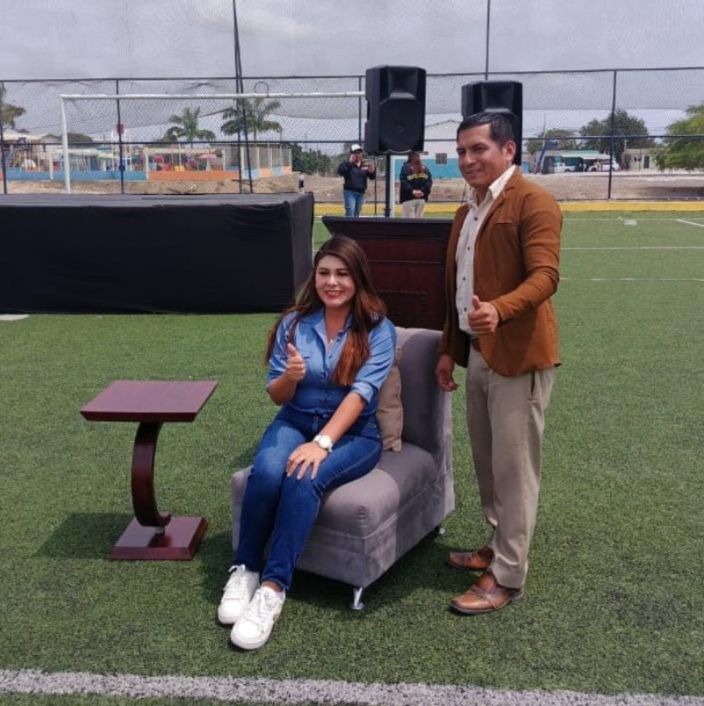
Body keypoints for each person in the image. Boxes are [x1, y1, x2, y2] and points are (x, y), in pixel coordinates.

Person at [218, 236, 396, 650]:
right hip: (295, 419)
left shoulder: (377, 328)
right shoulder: (295, 323)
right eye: (324, 273)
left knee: (302, 476)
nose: (332, 282)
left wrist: (323, 443)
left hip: (354, 434)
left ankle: (273, 589)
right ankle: (245, 569)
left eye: (342, 274)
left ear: (358, 278)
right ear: (314, 277)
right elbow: (276, 395)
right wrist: (291, 377)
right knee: (266, 471)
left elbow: (361, 395)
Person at [435, 111, 561, 615]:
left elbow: (546, 275)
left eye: (478, 149)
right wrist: (450, 349)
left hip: (518, 356)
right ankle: (498, 543)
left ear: (509, 150)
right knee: (489, 464)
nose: (467, 160)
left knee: (514, 469)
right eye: (462, 152)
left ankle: (508, 573)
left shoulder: (533, 201)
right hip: (478, 352)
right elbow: (457, 287)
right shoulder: (466, 210)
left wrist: (499, 310)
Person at [337, 144, 376, 217]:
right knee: (350, 212)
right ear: (351, 154)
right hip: (350, 192)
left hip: (361, 193)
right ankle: (348, 225)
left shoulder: (364, 164)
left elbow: (372, 177)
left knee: (356, 214)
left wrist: (372, 172)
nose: (358, 155)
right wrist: (349, 163)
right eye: (355, 153)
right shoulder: (347, 164)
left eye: (359, 153)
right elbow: (340, 171)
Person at [399, 151, 432, 218]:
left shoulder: (405, 168)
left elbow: (403, 182)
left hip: (409, 198)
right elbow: (429, 182)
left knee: (409, 222)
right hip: (421, 198)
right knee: (418, 222)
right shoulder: (425, 169)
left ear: (409, 157)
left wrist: (413, 191)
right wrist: (422, 191)